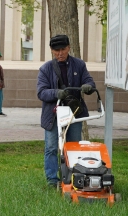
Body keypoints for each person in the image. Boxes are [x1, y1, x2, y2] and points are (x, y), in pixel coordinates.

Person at [36, 34, 95, 187]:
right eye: (56, 50)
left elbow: (88, 81)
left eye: (63, 49)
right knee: (51, 148)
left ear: (69, 48)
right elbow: (41, 92)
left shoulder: (79, 65)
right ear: (51, 50)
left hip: (74, 113)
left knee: (73, 146)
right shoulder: (45, 69)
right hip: (52, 114)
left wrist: (88, 87)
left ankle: (73, 177)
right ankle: (52, 180)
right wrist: (56, 93)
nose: (60, 53)